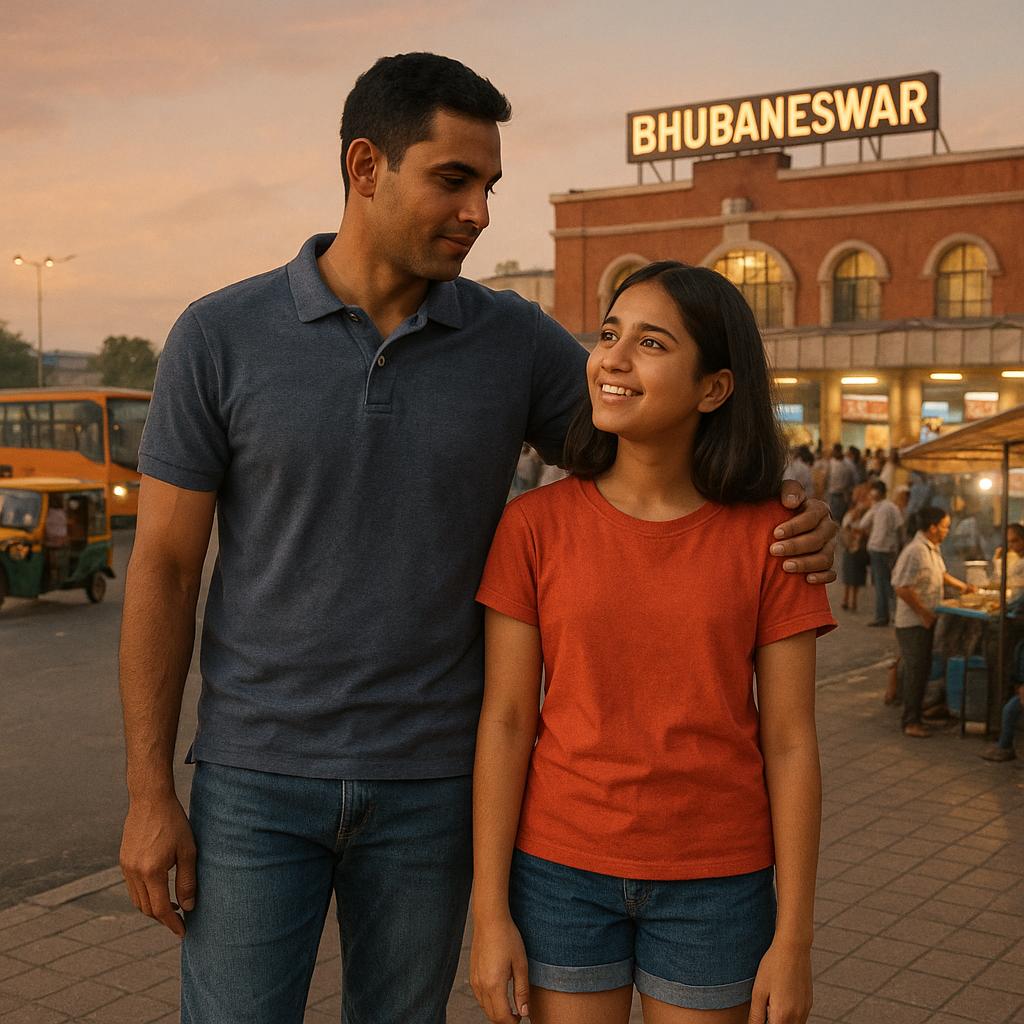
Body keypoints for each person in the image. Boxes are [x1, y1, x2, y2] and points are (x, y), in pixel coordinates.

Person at [116, 54, 838, 1024]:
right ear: (365, 166)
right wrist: (147, 790)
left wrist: (786, 501)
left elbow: (656, 441)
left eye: (490, 185)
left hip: (432, 786)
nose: (480, 211)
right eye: (453, 179)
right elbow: (162, 568)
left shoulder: (514, 342)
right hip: (254, 776)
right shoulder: (219, 336)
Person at [470, 262, 835, 1024]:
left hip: (719, 880)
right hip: (560, 868)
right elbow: (507, 720)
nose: (613, 358)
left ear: (714, 389)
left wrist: (794, 940)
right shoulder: (534, 527)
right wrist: (489, 911)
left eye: (652, 342)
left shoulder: (775, 537)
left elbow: (792, 741)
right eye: (609, 335)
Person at [891, 506, 975, 738]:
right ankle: (910, 722)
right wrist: (923, 613)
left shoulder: (932, 549)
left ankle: (917, 714)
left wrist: (964, 587)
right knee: (916, 671)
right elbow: (901, 586)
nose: (948, 531)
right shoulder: (915, 551)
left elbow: (942, 575)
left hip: (925, 621)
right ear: (933, 527)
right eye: (946, 526)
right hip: (913, 624)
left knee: (923, 669)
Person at [859, 479, 904, 626]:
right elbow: (863, 524)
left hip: (882, 549)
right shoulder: (883, 507)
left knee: (882, 584)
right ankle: (889, 614)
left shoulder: (886, 507)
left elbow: (899, 528)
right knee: (885, 583)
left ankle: (884, 615)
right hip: (883, 549)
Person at [840, 483, 870, 612]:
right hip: (853, 545)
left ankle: (851, 600)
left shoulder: (865, 511)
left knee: (855, 575)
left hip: (858, 546)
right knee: (850, 574)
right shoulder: (854, 512)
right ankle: (848, 599)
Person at [826, 442, 855, 522]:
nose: (833, 453)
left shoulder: (849, 464)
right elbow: (827, 477)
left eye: (834, 451)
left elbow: (852, 480)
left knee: (841, 517)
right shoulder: (831, 462)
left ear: (839, 451)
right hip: (832, 493)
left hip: (843, 495)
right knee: (832, 517)